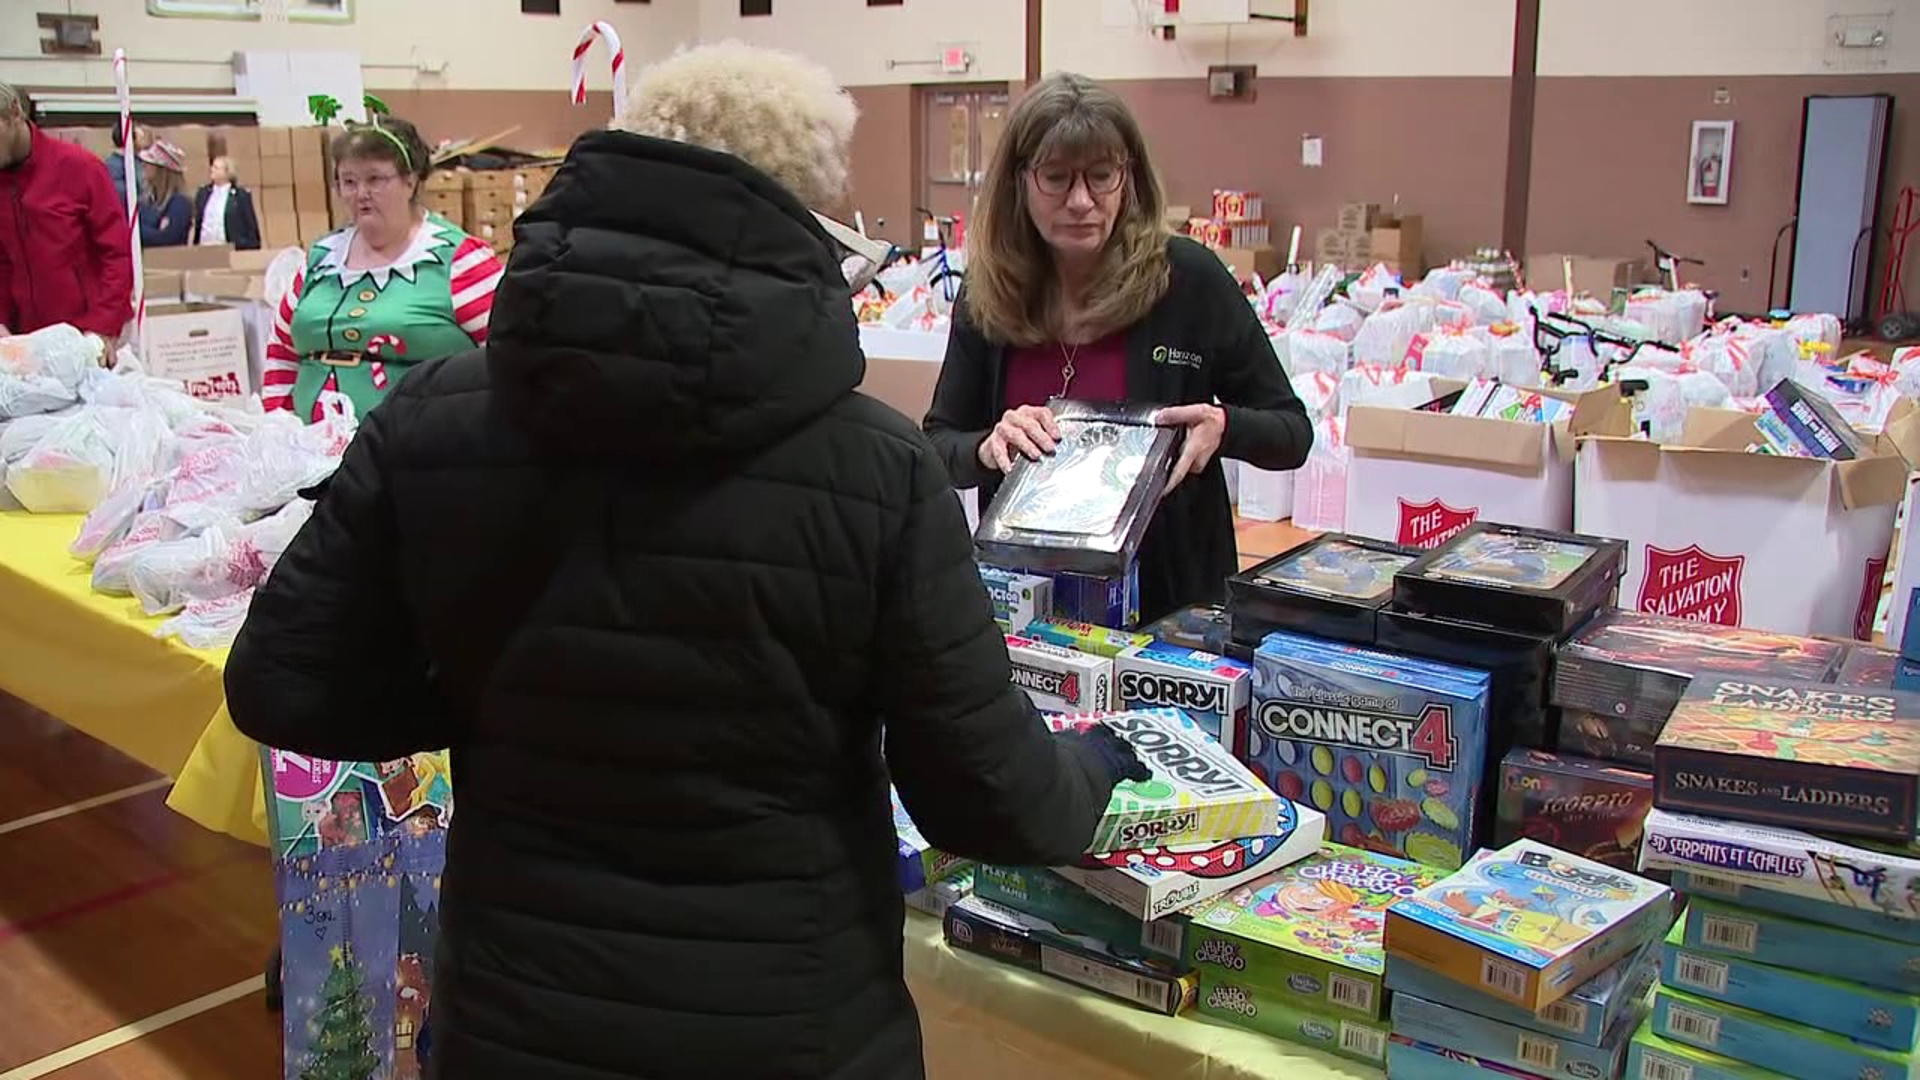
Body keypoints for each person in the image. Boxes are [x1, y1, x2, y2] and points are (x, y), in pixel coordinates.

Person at [224, 42, 1142, 1080]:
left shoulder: (434, 421)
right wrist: (1102, 765)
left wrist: (488, 697)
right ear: (800, 218)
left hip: (519, 1023)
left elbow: (281, 678)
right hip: (789, 1029)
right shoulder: (876, 470)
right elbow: (992, 798)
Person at [923, 73, 1313, 625]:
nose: (1081, 201)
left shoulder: (1189, 280)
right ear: (1019, 182)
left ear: (1128, 178)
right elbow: (938, 445)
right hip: (1025, 614)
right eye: (1056, 178)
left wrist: (1224, 427)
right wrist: (988, 447)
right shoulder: (987, 295)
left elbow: (1293, 433)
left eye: (1101, 176)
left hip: (1168, 616)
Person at [262, 113, 502, 422]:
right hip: (311, 454)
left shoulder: (461, 261)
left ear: (410, 181)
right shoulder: (320, 260)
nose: (361, 193)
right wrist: (277, 428)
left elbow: (510, 358)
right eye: (348, 181)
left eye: (375, 179)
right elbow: (282, 352)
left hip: (423, 455)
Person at [0, 80, 132, 343]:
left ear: (15, 113)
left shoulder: (79, 168)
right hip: (23, 342)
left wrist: (103, 326)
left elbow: (117, 254)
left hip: (88, 335)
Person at [190, 156, 261, 249]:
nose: (212, 169)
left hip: (229, 248)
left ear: (228, 172)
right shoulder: (203, 193)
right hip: (204, 246)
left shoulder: (241, 196)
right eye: (212, 167)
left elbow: (250, 224)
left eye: (216, 168)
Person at [136, 139, 193, 247]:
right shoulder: (147, 199)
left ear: (161, 170)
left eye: (149, 163)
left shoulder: (180, 203)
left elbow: (167, 238)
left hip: (169, 261)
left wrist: (135, 229)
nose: (143, 166)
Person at [103, 121, 149, 207]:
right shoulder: (113, 165)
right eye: (139, 134)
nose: (143, 135)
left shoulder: (139, 161)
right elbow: (121, 195)